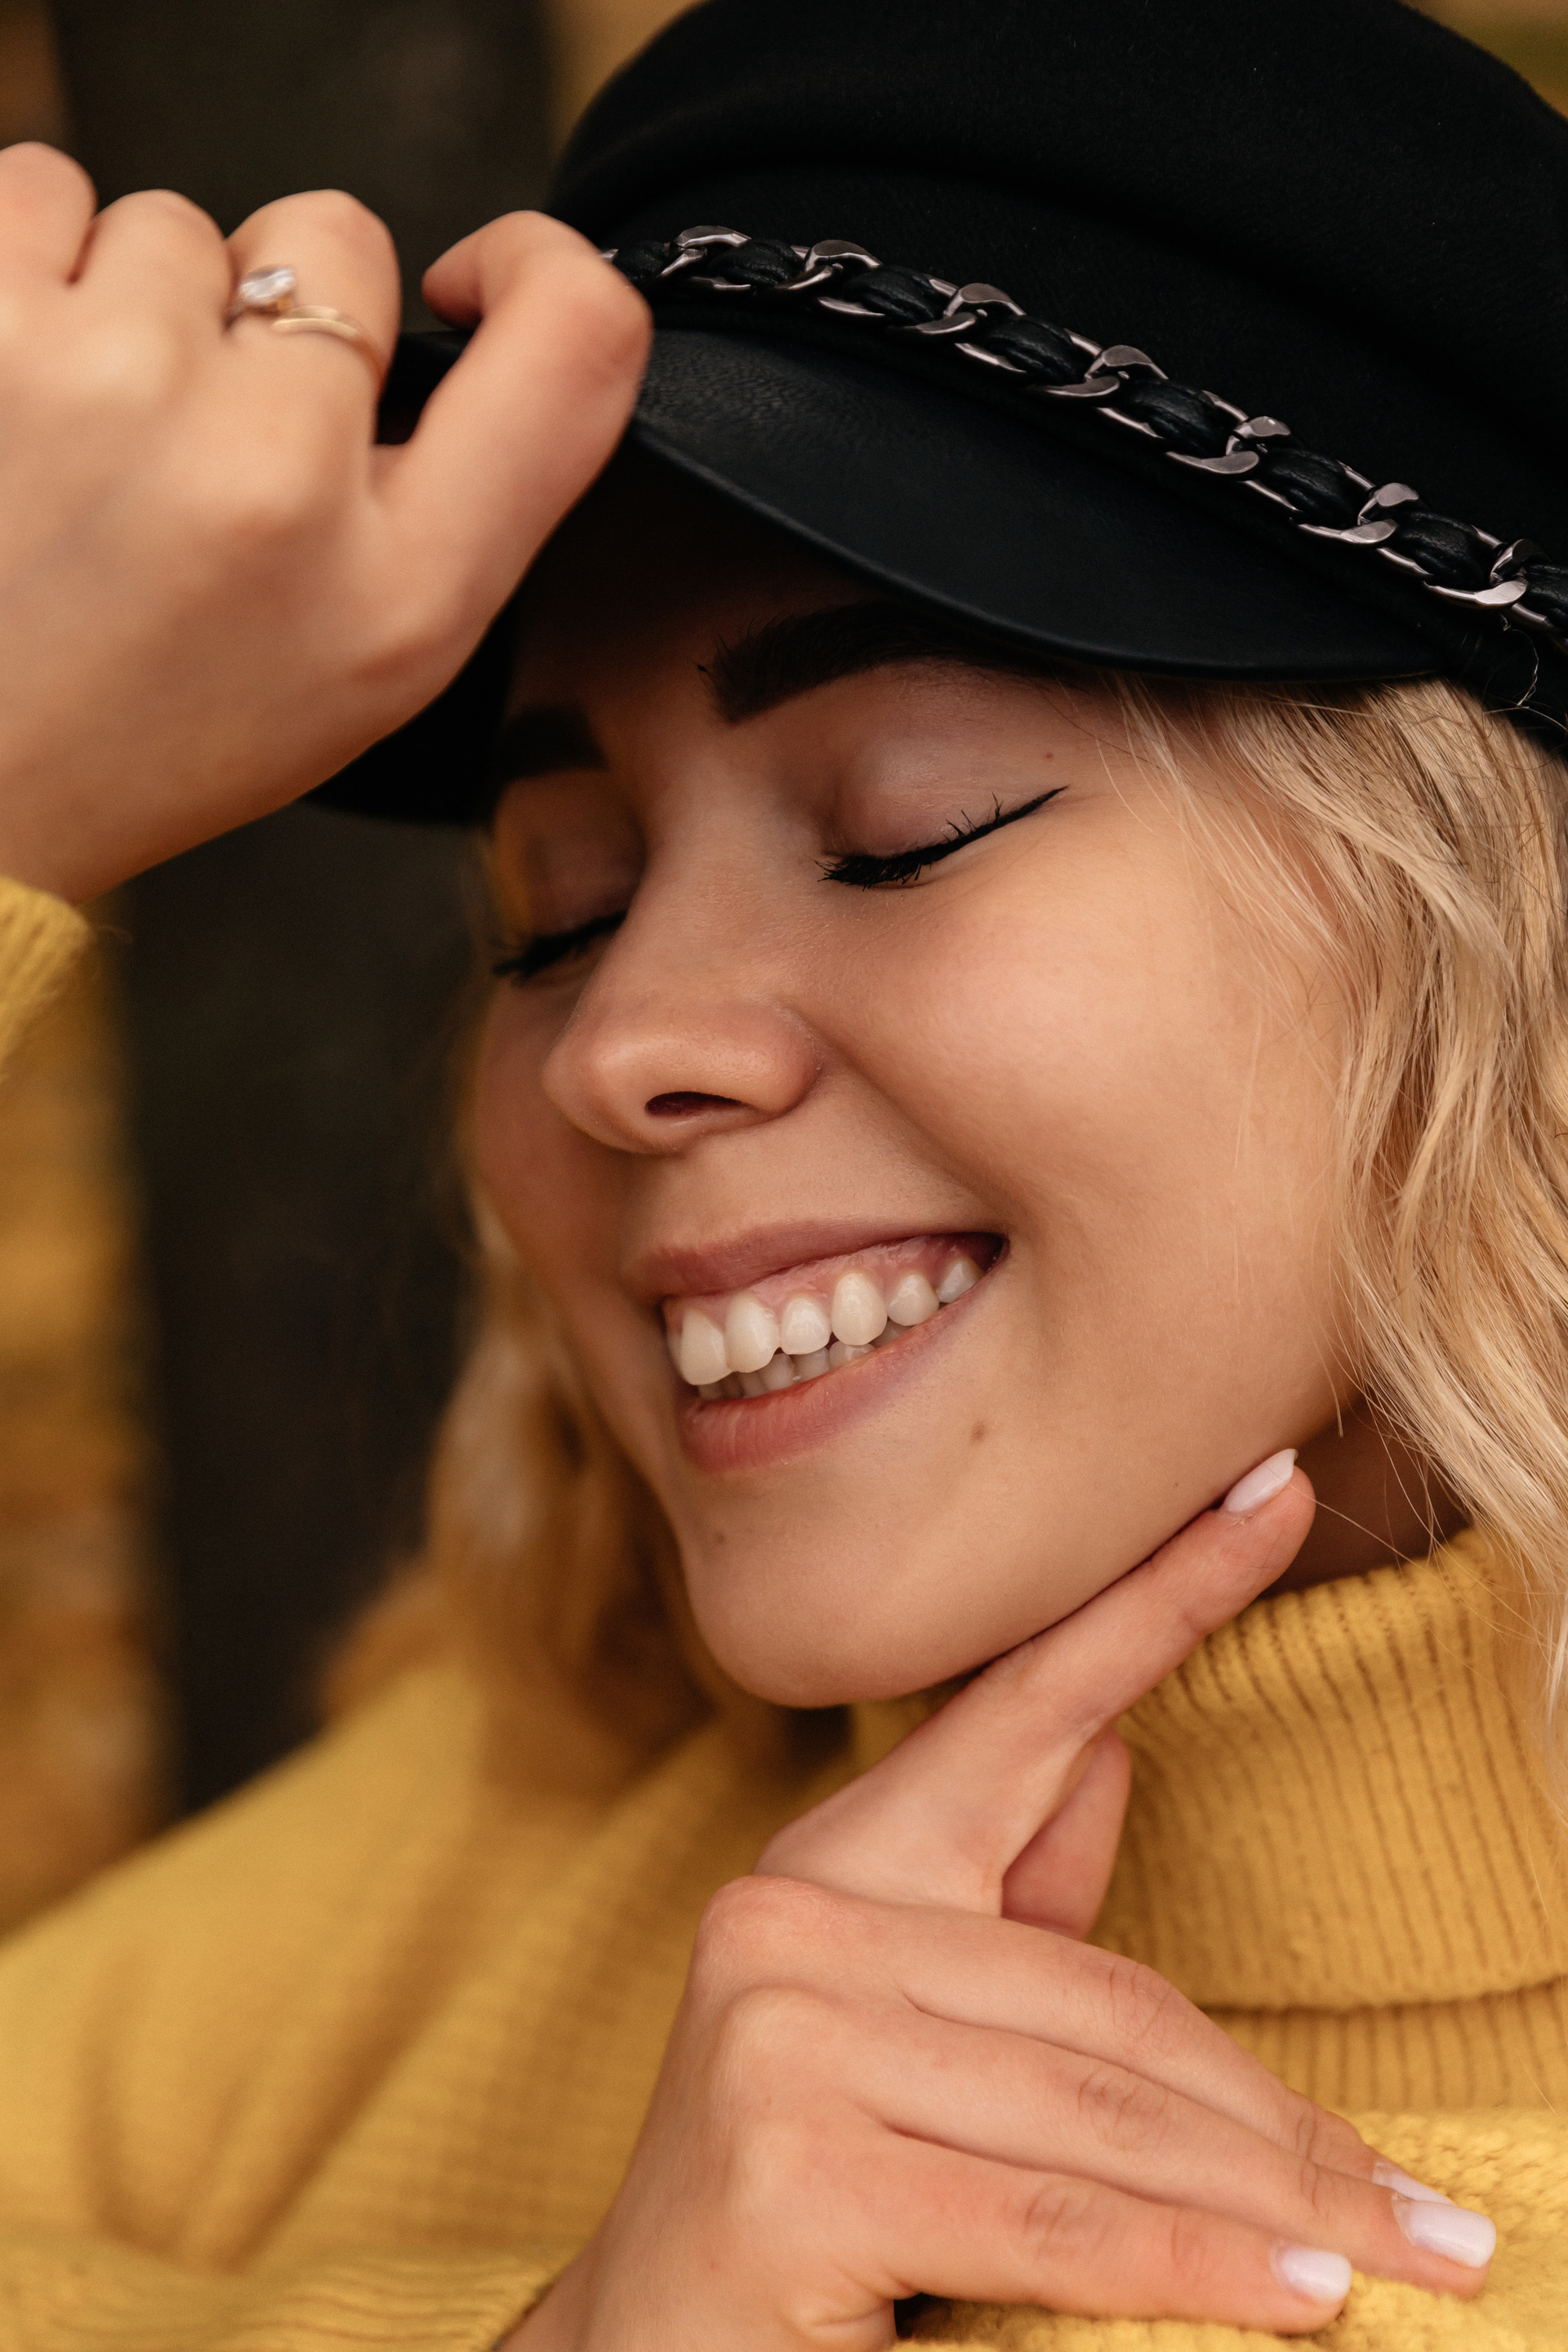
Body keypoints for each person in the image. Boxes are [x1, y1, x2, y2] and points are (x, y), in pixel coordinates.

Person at [1, 0, 1566, 2344]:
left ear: (1504, 923)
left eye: (903, 829)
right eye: (556, 907)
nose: (622, 1044)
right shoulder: (523, 1817)